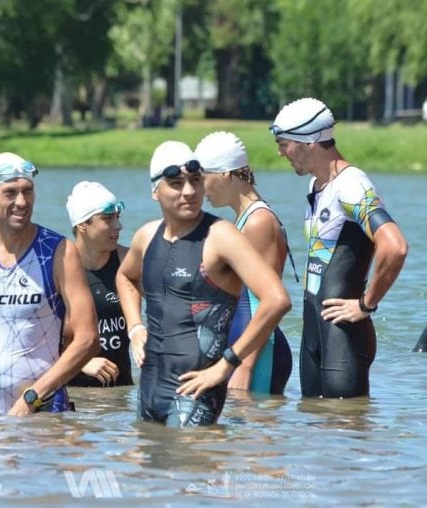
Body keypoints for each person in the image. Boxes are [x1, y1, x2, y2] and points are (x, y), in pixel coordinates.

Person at [115, 141, 291, 427]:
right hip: (149, 387)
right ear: (155, 191)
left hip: (197, 391)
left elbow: (277, 299)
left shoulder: (221, 236)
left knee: (192, 468)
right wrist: (135, 329)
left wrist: (228, 364)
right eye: (176, 183)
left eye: (195, 181)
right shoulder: (146, 237)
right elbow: (125, 277)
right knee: (146, 469)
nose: (189, 191)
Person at [270, 97, 408, 398]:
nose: (281, 153)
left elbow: (395, 246)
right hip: (315, 333)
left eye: (284, 144)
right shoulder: (318, 185)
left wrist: (365, 304)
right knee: (316, 428)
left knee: (347, 430)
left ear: (308, 142)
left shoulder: (352, 186)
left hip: (344, 336)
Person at [0, 152, 99, 415]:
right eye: (10, 193)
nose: (21, 201)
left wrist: (33, 397)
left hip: (42, 408)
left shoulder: (59, 252)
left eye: (28, 191)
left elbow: (88, 339)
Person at [195, 131, 294, 395]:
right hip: (243, 349)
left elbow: (268, 301)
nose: (199, 188)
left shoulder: (258, 222)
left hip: (258, 356)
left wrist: (244, 366)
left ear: (225, 174)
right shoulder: (244, 220)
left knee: (254, 435)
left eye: (203, 178)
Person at [65, 181, 132, 387]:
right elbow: (36, 338)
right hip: (74, 394)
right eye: (107, 219)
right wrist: (82, 361)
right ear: (82, 225)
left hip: (120, 393)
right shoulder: (59, 266)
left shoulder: (128, 260)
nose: (118, 226)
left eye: (117, 217)